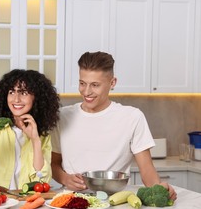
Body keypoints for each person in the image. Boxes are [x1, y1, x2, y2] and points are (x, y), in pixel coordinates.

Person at [51, 51, 177, 200]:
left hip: (114, 203)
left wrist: (159, 190)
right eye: (82, 83)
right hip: (70, 202)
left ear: (112, 83)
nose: (86, 91)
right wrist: (65, 179)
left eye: (95, 85)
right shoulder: (62, 116)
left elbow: (147, 170)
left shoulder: (132, 117)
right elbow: (53, 163)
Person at [0, 69, 60, 192]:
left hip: (25, 205)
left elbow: (42, 181)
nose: (16, 99)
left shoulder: (42, 136)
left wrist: (35, 140)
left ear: (36, 98)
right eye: (11, 92)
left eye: (24, 93)